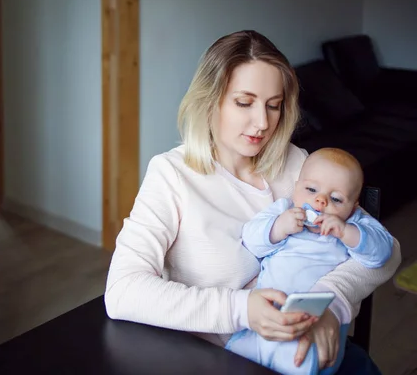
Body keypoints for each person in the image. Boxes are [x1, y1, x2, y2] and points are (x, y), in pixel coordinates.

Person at [104, 30, 401, 373]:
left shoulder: (296, 164)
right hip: (219, 358)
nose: (262, 123)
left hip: (303, 345)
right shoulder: (171, 175)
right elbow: (123, 291)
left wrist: (331, 306)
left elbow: (387, 252)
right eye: (244, 102)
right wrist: (241, 308)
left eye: (274, 106)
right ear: (209, 99)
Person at [226, 147, 394, 374]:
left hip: (315, 324)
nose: (320, 200)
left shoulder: (356, 224)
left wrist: (346, 232)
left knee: (297, 359)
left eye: (336, 198)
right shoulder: (284, 209)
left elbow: (383, 252)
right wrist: (278, 228)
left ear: (353, 206)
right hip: (266, 317)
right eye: (311, 189)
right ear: (296, 188)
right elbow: (251, 239)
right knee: (235, 352)